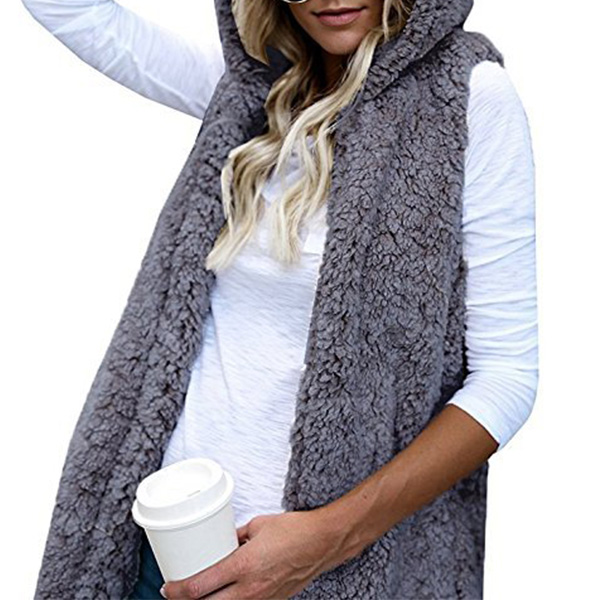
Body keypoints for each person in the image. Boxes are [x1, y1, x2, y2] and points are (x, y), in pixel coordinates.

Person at [24, 0, 539, 598]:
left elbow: (507, 379)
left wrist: (328, 538)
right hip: (167, 545)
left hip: (323, 567)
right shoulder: (254, 89)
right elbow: (71, 10)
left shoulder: (467, 97)